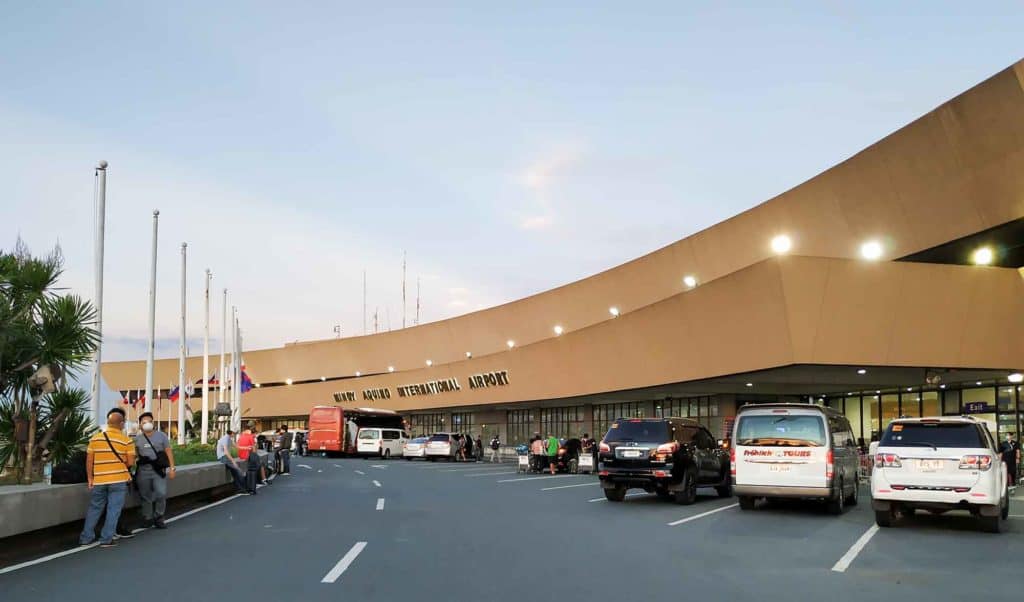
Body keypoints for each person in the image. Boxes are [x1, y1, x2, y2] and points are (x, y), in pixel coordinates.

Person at [80, 408, 136, 548]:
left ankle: (86, 538)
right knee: (113, 509)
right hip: (118, 480)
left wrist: (90, 478)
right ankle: (106, 539)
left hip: (99, 480)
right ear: (122, 424)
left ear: (108, 422)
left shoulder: (95, 439)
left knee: (94, 508)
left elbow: (89, 461)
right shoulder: (127, 441)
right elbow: (130, 462)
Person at [134, 412, 175, 529]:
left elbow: (168, 451)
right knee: (145, 495)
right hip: (143, 471)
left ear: (153, 423)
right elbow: (134, 455)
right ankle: (147, 517)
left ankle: (159, 516)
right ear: (140, 425)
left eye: (149, 421)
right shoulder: (137, 439)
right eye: (144, 422)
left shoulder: (162, 436)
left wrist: (172, 468)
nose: (147, 424)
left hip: (158, 470)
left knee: (161, 493)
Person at [237, 425, 266, 493]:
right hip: (250, 456)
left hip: (241, 456)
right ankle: (253, 489)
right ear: (248, 430)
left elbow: (238, 446)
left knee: (247, 472)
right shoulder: (251, 437)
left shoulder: (241, 436)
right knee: (253, 471)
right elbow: (254, 448)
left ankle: (246, 488)